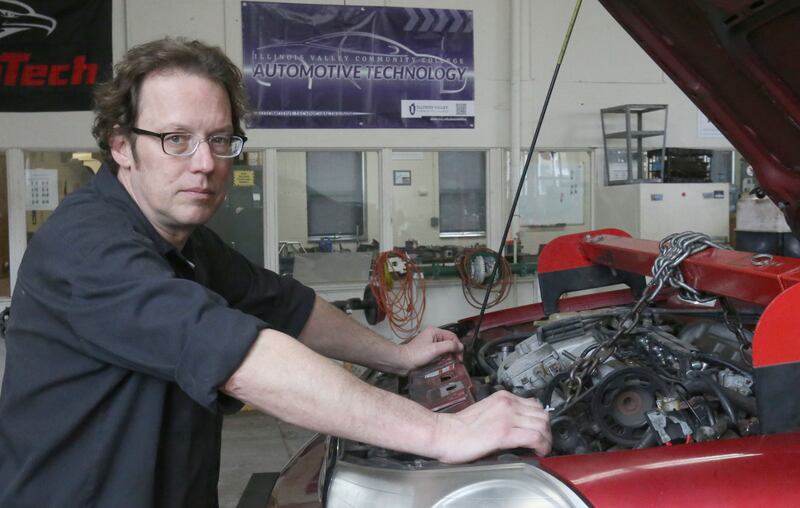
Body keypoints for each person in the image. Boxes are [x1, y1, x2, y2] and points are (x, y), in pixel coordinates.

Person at [0, 38, 551, 507]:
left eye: (220, 140)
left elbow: (288, 306)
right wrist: (442, 432)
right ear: (122, 147)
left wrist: (397, 356)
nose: (204, 163)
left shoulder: (190, 243)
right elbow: (238, 358)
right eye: (176, 139)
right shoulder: (87, 248)